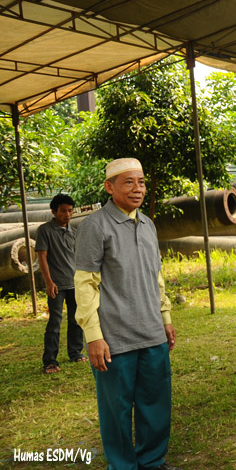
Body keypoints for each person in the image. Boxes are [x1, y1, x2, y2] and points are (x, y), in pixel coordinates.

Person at [75, 158, 177, 470]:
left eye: (141, 182)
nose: (137, 189)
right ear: (110, 187)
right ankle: (122, 466)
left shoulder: (147, 224)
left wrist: (166, 318)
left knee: (155, 405)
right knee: (115, 410)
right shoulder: (94, 226)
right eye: (128, 182)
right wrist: (93, 336)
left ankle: (152, 461)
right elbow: (84, 284)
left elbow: (155, 276)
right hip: (114, 339)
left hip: (151, 334)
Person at [37, 193, 86, 374]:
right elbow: (42, 257)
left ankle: (75, 353)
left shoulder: (74, 232)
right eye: (63, 211)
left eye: (70, 211)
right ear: (54, 211)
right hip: (56, 286)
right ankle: (50, 361)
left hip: (75, 284)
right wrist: (49, 282)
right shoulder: (45, 230)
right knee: (54, 322)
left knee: (76, 320)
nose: (67, 215)